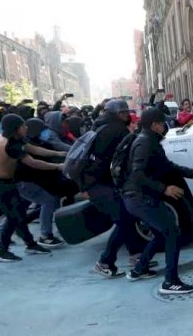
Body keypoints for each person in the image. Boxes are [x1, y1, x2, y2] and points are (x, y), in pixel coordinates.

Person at [123, 107, 193, 294]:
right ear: (155, 125)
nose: (165, 126)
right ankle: (170, 282)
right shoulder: (145, 143)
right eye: (161, 123)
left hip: (139, 198)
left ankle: (139, 270)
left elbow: (167, 166)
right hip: (140, 198)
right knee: (172, 233)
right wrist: (164, 189)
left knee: (160, 233)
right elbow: (138, 174)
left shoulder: (151, 141)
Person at [82, 100, 150, 277]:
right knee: (124, 220)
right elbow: (125, 157)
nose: (128, 115)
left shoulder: (101, 126)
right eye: (126, 112)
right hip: (100, 185)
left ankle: (136, 255)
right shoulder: (117, 130)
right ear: (119, 113)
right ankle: (105, 262)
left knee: (126, 217)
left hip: (96, 183)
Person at [0, 114, 64, 261]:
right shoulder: (10, 144)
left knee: (18, 215)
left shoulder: (11, 137)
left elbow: (32, 148)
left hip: (8, 182)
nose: (26, 127)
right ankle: (2, 251)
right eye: (23, 125)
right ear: (16, 128)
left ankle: (30, 244)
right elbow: (34, 162)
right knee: (13, 217)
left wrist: (57, 153)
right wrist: (59, 166)